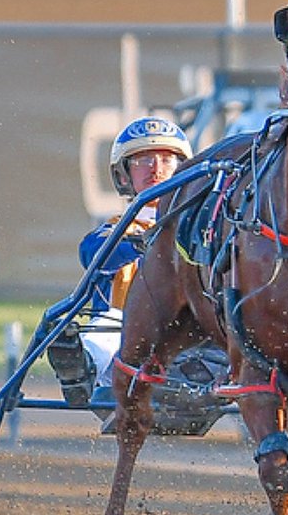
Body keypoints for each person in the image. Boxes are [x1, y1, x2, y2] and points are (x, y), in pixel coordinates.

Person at [47, 116, 193, 406]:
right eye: (143, 160)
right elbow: (91, 252)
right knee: (103, 338)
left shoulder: (199, 223)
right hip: (121, 324)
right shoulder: (118, 227)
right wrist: (139, 244)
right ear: (124, 174)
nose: (156, 169)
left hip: (190, 325)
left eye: (166, 159)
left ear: (182, 169)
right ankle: (79, 370)